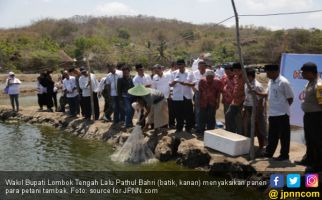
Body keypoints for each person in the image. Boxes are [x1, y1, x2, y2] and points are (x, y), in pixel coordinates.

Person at [256, 64, 294, 161]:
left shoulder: (283, 82)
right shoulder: (271, 81)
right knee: (272, 135)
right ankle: (269, 153)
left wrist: (283, 108)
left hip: (282, 114)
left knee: (284, 136)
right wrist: (256, 93)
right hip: (272, 113)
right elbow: (267, 94)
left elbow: (290, 98)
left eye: (268, 72)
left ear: (275, 72)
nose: (267, 75)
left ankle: (284, 155)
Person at [297, 62, 322, 171]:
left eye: (304, 72)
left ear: (311, 73)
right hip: (308, 116)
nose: (302, 74)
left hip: (316, 117)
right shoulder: (309, 83)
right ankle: (309, 159)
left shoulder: (319, 85)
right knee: (309, 139)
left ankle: (318, 165)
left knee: (317, 141)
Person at [242, 67, 267, 153]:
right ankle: (248, 145)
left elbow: (261, 100)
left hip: (256, 108)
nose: (244, 78)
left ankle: (261, 147)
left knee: (258, 127)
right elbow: (246, 96)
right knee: (247, 127)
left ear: (251, 76)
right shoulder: (246, 84)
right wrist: (244, 107)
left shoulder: (257, 86)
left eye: (246, 76)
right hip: (248, 106)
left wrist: (257, 113)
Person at [169, 59, 195, 133]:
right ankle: (179, 128)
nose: (179, 66)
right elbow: (170, 84)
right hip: (177, 97)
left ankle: (188, 128)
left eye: (181, 64)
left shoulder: (190, 73)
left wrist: (186, 84)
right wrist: (175, 81)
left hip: (187, 96)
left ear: (184, 65)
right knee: (178, 113)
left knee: (188, 113)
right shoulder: (173, 73)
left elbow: (193, 84)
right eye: (178, 65)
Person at [225, 62, 245, 135]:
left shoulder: (245, 78)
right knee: (228, 115)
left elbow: (247, 91)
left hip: (242, 102)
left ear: (241, 70)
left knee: (239, 119)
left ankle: (240, 135)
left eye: (236, 71)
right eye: (234, 71)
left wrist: (243, 103)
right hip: (235, 101)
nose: (235, 73)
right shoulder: (236, 77)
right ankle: (231, 133)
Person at [193, 61, 210, 133]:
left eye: (203, 67)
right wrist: (195, 91)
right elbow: (192, 83)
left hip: (208, 93)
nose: (202, 69)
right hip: (198, 93)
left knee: (207, 109)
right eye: (200, 67)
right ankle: (198, 126)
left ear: (206, 67)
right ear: (198, 67)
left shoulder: (210, 73)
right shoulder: (194, 73)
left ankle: (206, 126)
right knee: (198, 110)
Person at [221, 63, 235, 130]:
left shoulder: (236, 78)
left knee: (234, 117)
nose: (227, 74)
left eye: (229, 72)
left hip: (234, 102)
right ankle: (228, 130)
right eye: (226, 72)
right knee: (227, 116)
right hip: (226, 100)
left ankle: (234, 131)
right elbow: (222, 86)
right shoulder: (224, 77)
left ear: (233, 71)